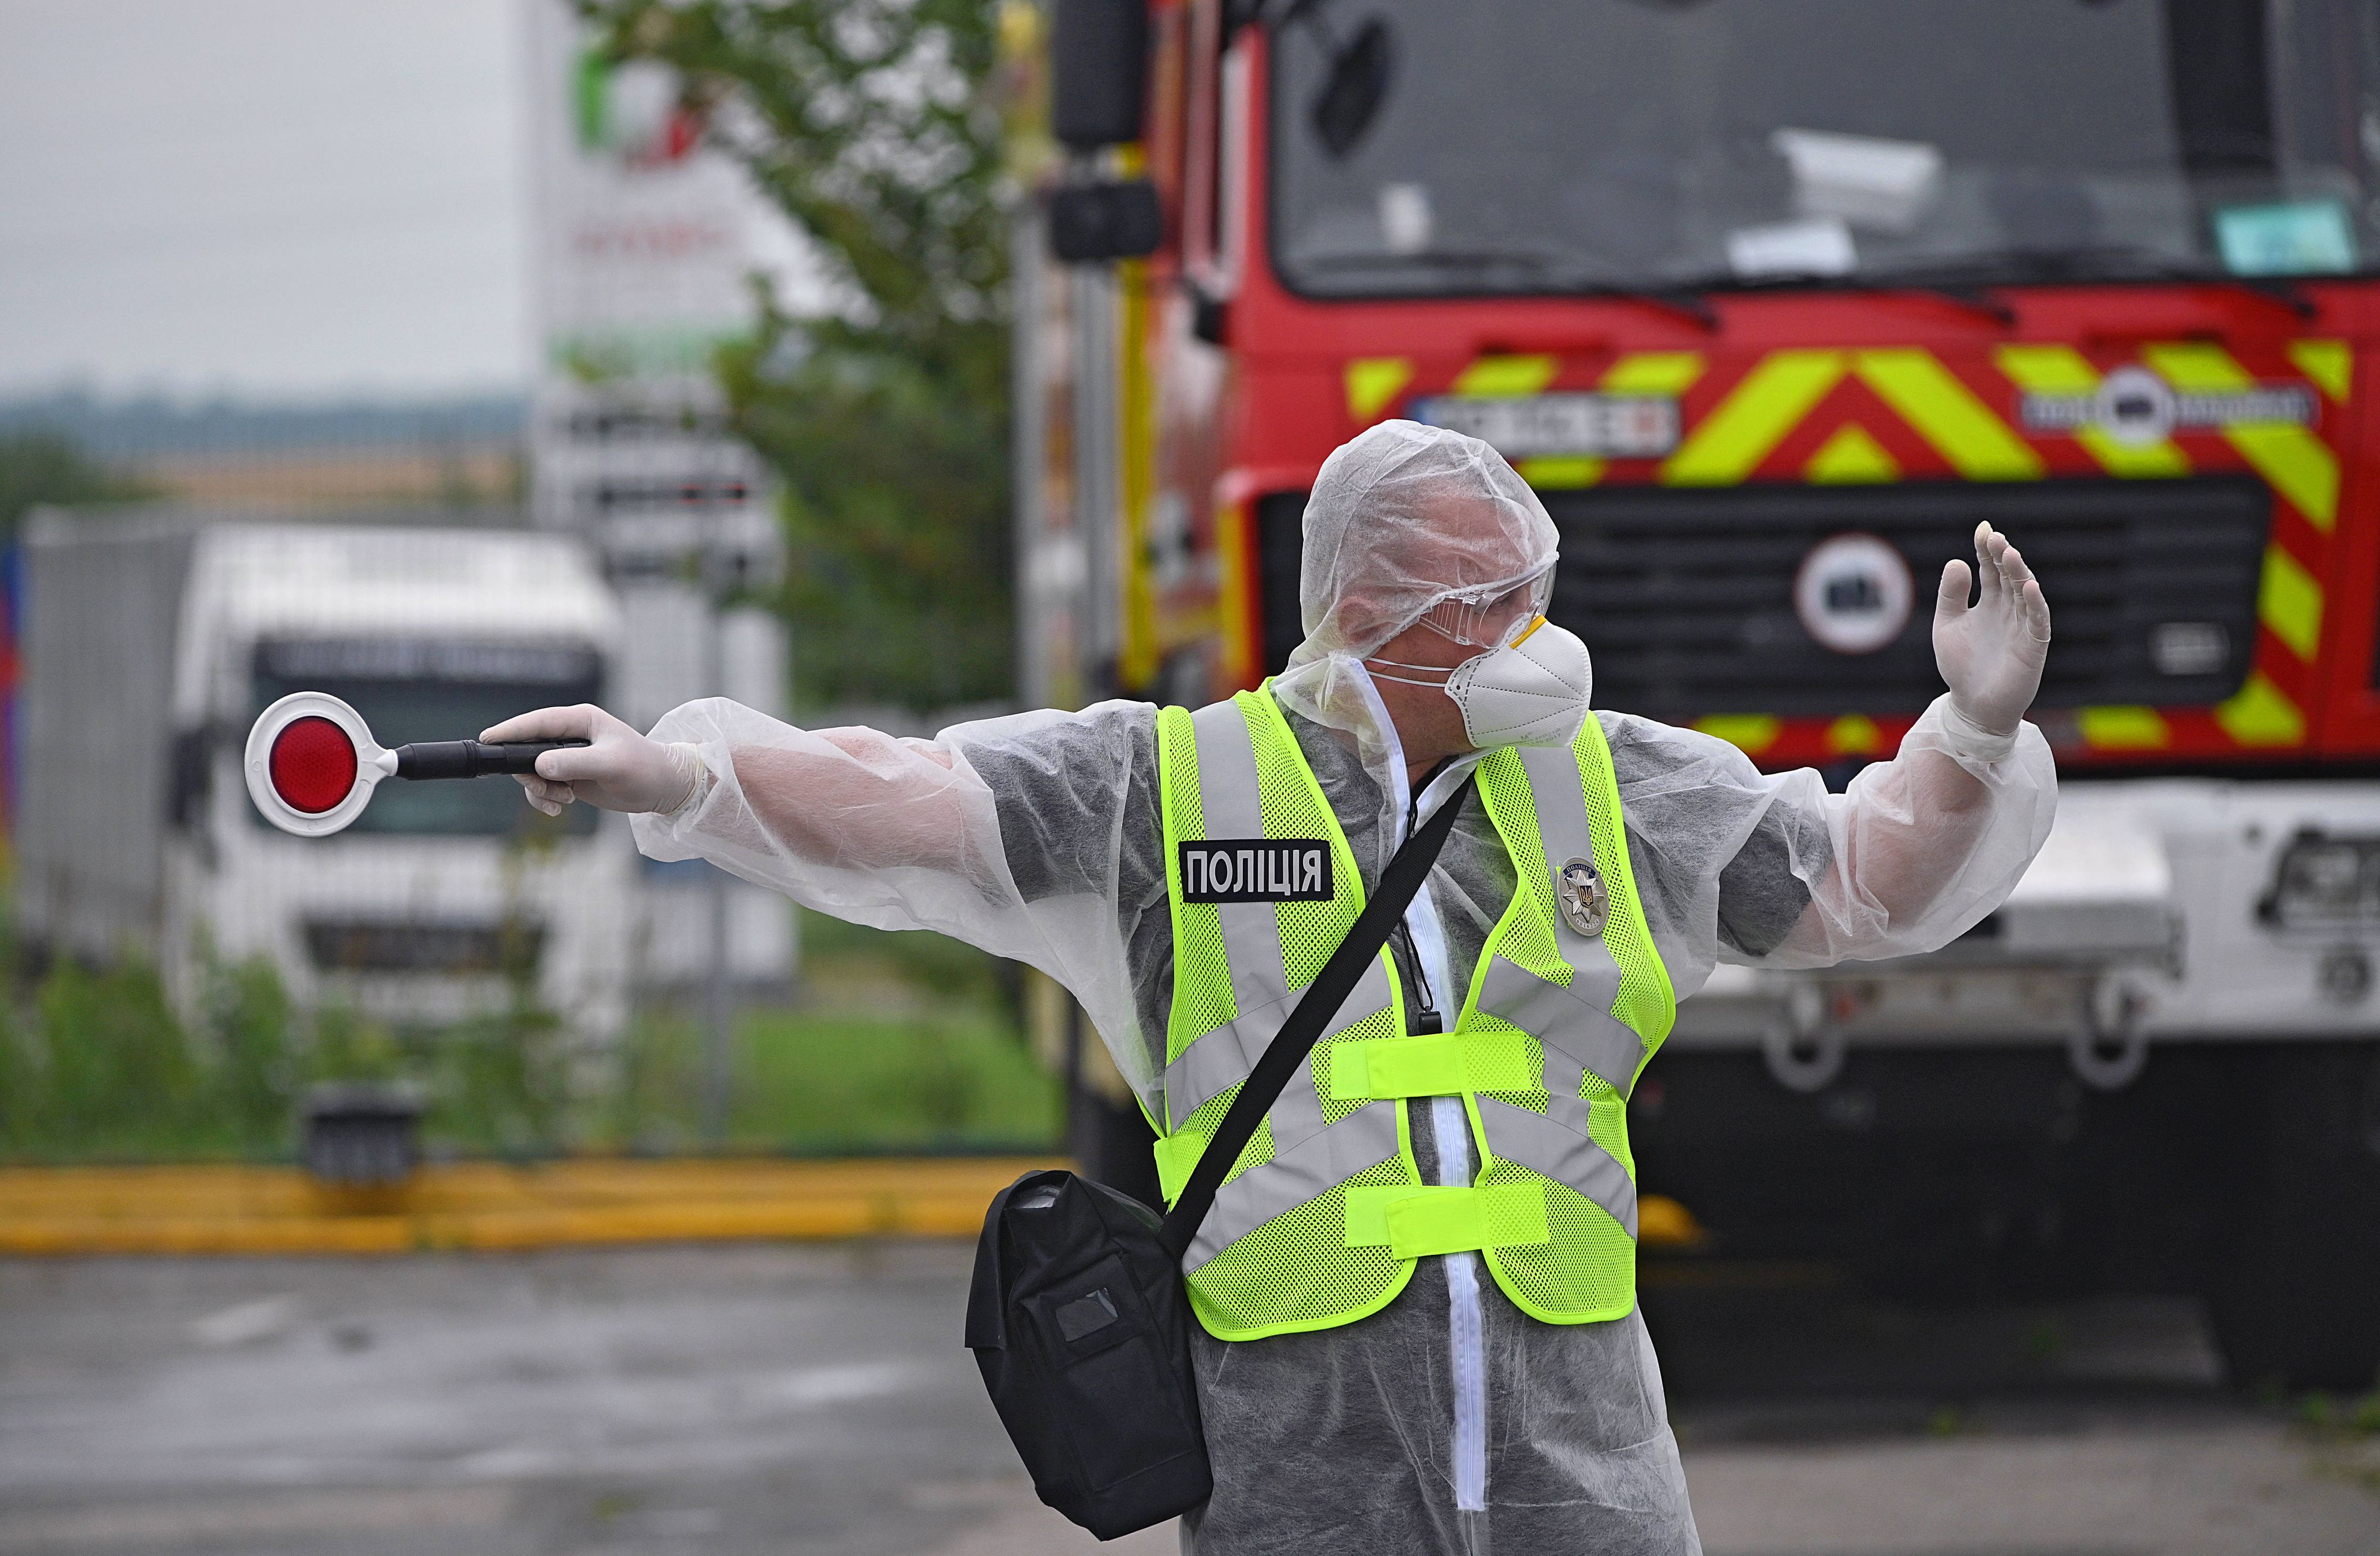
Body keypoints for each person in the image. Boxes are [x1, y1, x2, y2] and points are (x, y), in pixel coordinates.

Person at [486, 421, 2056, 1555]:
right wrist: (675, 776)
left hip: (1580, 1462)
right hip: (1304, 1471)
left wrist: (1972, 734)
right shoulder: (1163, 789)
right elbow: (900, 797)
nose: (1532, 635)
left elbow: (1865, 878)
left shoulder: (1617, 791)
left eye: (1531, 592)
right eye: (1485, 606)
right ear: (1369, 618)